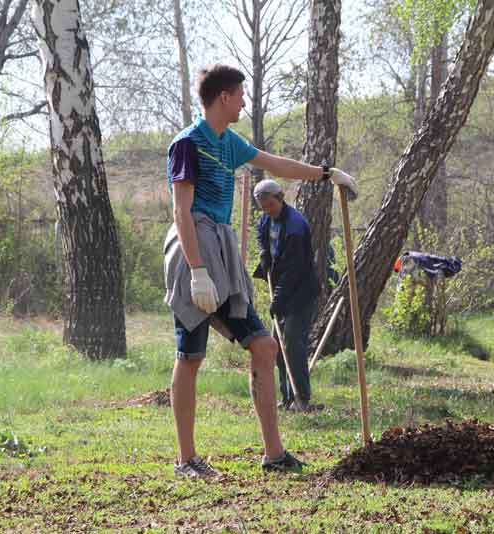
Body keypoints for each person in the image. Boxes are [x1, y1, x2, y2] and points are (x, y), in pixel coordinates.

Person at [163, 64, 357, 479]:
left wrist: (326, 174)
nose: (245, 103)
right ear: (224, 98)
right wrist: (197, 270)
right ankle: (186, 460)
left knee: (264, 347)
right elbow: (181, 211)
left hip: (222, 250)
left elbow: (277, 164)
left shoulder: (228, 142)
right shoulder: (187, 144)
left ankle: (273, 454)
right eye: (240, 95)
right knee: (190, 355)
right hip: (194, 249)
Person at [252, 179, 320, 412]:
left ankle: (302, 397)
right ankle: (287, 398)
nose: (268, 211)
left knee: (291, 341)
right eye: (263, 207)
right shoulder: (266, 219)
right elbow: (261, 235)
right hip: (282, 288)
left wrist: (278, 298)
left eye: (270, 205)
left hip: (301, 292)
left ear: (280, 198)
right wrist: (264, 254)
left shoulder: (295, 226)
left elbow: (294, 268)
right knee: (276, 345)